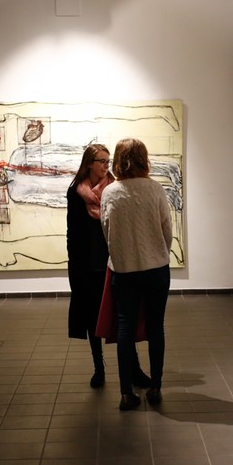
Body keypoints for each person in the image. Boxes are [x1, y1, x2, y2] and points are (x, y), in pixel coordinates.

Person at [66, 143, 150, 389]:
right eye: (101, 161)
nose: (105, 165)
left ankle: (134, 369)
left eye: (107, 160)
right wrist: (74, 265)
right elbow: (72, 232)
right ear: (89, 164)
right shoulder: (76, 191)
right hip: (87, 265)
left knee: (123, 318)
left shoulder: (115, 189)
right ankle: (98, 368)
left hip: (113, 262)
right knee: (92, 318)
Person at [100, 138, 172, 410]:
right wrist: (159, 252)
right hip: (156, 268)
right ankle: (156, 387)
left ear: (118, 160)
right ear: (144, 159)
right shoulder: (154, 189)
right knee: (156, 326)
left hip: (124, 270)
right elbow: (166, 229)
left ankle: (125, 393)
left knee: (125, 328)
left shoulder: (110, 192)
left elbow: (106, 231)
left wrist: (120, 254)